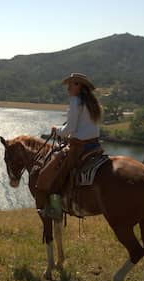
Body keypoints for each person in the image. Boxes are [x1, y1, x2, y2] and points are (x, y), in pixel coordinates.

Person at [35, 73, 103, 212]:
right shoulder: (92, 103)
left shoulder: (75, 101)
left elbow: (70, 129)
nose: (68, 88)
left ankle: (54, 208)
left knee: (57, 173)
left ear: (78, 85)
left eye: (71, 84)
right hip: (94, 145)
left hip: (80, 146)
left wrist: (57, 130)